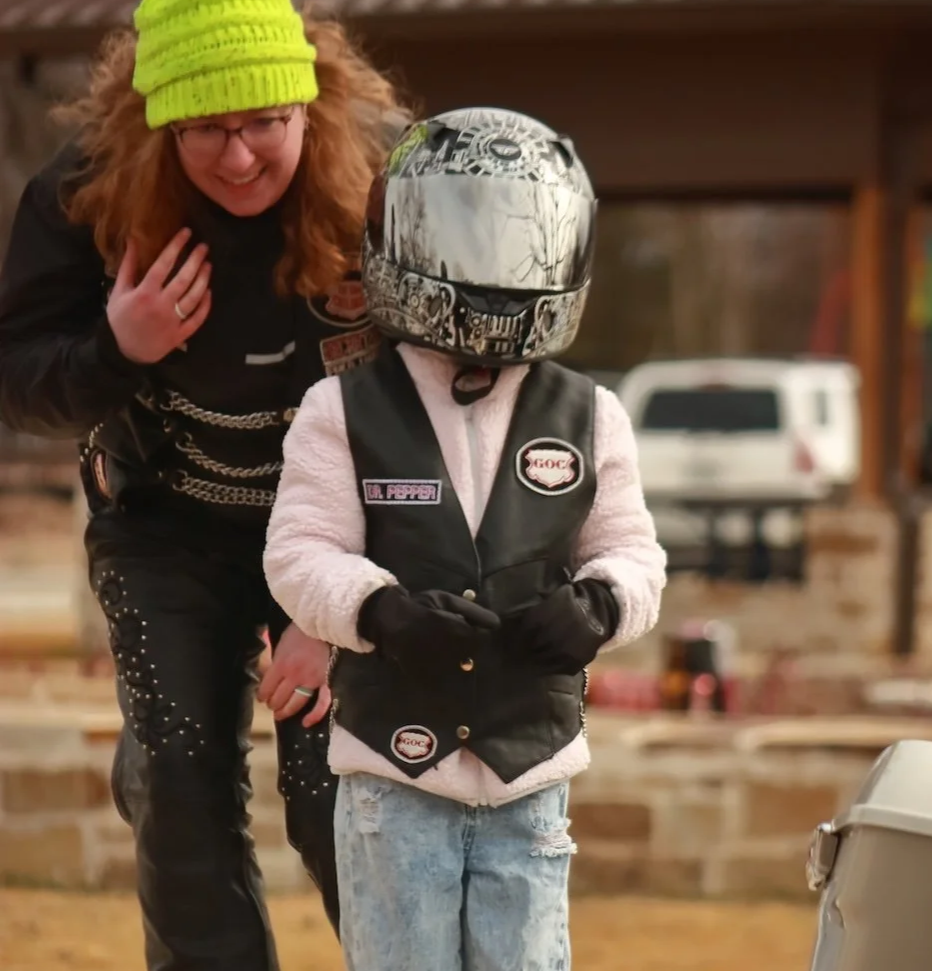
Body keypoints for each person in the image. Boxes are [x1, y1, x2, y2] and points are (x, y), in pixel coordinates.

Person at [0, 0, 410, 968]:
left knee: (333, 792)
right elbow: (17, 383)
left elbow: (443, 410)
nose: (237, 157)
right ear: (157, 128)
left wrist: (332, 609)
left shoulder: (394, 183)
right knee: (181, 783)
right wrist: (115, 348)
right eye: (204, 131)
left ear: (310, 100)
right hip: (164, 522)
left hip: (343, 530)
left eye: (266, 123)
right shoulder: (85, 192)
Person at [263, 107, 668, 970]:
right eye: (469, 240)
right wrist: (379, 612)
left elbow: (635, 552)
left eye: (522, 240)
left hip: (531, 777)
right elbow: (298, 552)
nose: (497, 268)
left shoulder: (593, 416)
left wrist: (602, 604)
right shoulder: (341, 408)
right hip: (393, 774)